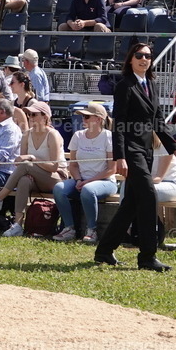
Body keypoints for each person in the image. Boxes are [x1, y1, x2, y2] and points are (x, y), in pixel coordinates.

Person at [95, 42, 176, 272]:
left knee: (131, 204)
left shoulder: (151, 84)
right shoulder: (125, 86)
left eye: (148, 56)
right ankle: (147, 256)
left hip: (147, 151)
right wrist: (120, 157)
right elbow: (119, 124)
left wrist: (173, 148)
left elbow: (158, 121)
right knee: (148, 196)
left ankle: (104, 251)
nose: (144, 59)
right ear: (131, 59)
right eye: (139, 55)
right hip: (131, 151)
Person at [0, 100, 66, 237]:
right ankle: (17, 224)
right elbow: (20, 163)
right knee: (24, 180)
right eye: (29, 114)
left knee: (27, 165)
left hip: (55, 177)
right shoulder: (27, 134)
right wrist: (27, 162)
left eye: (34, 114)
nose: (30, 117)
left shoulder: (53, 134)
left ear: (45, 117)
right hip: (34, 177)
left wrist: (33, 158)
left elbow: (54, 166)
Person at [52, 102, 116, 244]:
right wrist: (79, 179)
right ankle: (69, 228)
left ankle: (92, 230)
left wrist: (87, 181)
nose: (83, 119)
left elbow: (112, 169)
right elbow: (73, 165)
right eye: (83, 116)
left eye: (87, 117)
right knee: (58, 188)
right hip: (81, 180)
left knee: (88, 190)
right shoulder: (78, 135)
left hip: (106, 182)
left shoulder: (108, 136)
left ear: (99, 119)